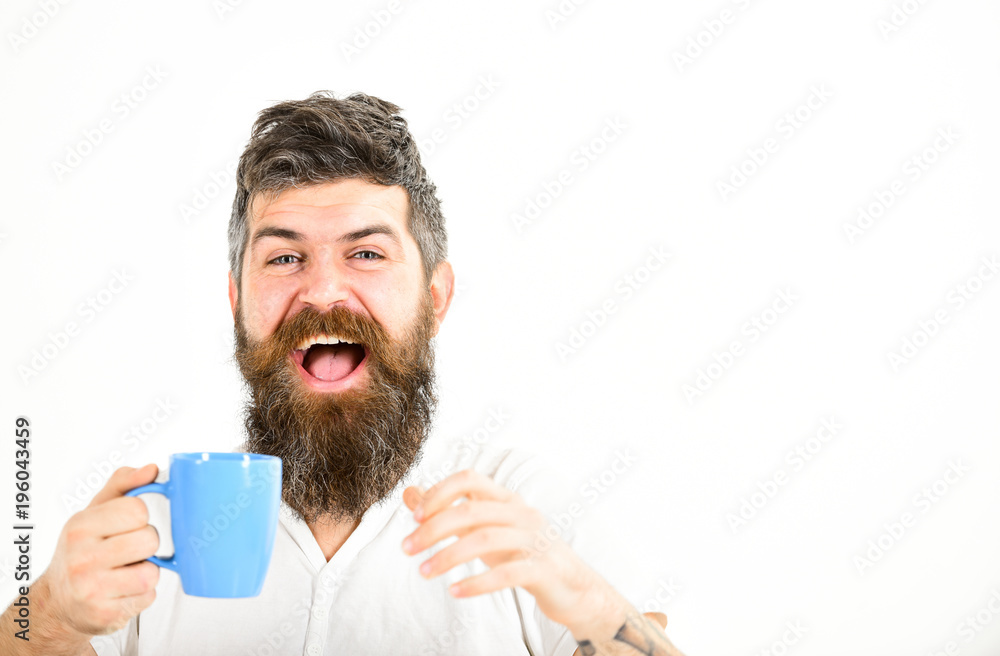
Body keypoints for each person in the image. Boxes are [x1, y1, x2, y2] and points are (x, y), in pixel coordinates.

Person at [0, 91, 686, 656]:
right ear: (238, 303)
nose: (324, 293)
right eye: (284, 259)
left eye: (365, 254)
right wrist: (51, 613)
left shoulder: (521, 512)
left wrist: (590, 603)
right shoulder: (157, 534)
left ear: (436, 298)